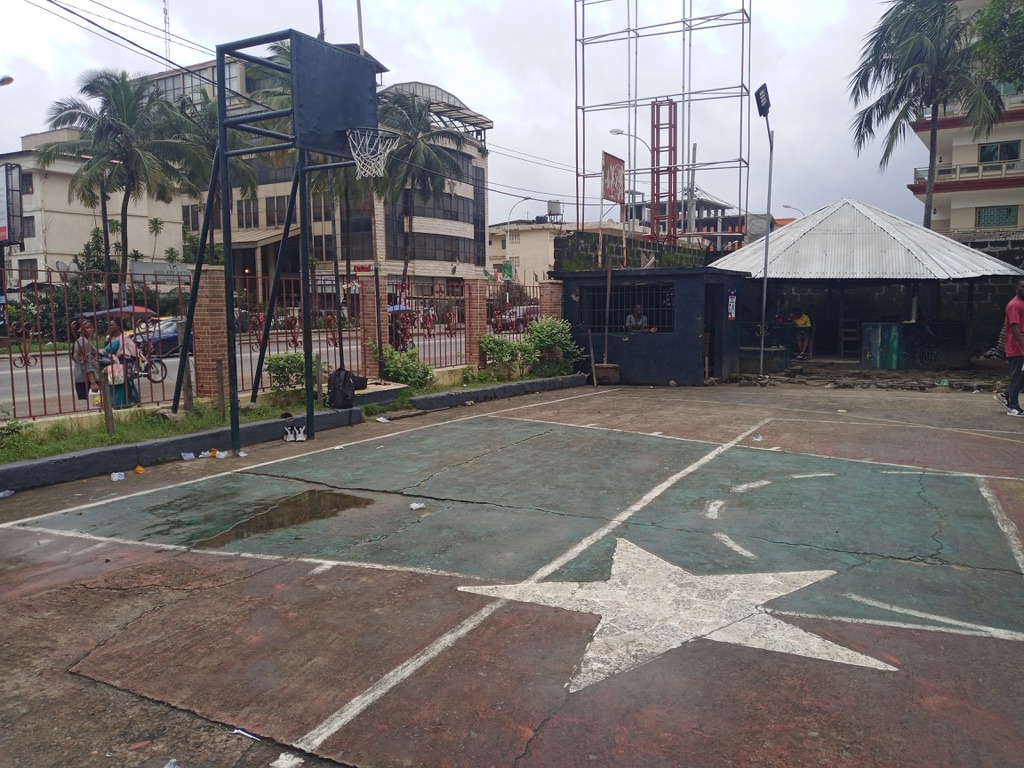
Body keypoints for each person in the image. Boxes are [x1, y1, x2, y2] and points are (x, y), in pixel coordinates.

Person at [103, 319, 140, 408]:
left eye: (112, 325)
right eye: (109, 325)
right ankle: (115, 402)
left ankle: (128, 401)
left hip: (123, 362)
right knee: (114, 382)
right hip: (113, 364)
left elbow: (135, 351)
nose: (110, 327)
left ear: (118, 326)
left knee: (125, 382)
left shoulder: (125, 338)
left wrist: (137, 366)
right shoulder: (110, 339)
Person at [1000, 278, 1024, 417]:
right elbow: (1014, 327)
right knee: (1017, 377)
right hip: (1016, 347)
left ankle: (1006, 394)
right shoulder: (1014, 305)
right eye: (1022, 287)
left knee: (1021, 377)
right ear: (1017, 288)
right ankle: (1013, 407)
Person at [70, 320, 101, 403]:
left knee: (90, 404)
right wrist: (93, 382)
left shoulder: (79, 342)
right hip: (88, 380)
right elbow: (87, 362)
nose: (90, 329)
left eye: (91, 327)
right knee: (95, 404)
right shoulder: (83, 342)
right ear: (79, 330)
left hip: (81, 379)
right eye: (87, 327)